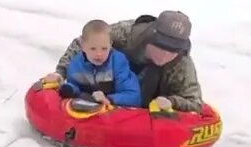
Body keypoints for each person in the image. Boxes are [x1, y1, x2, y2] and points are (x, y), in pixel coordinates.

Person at [44, 10, 203, 113]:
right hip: (109, 80)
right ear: (151, 37)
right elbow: (84, 42)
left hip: (147, 99)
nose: (164, 56)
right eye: (160, 47)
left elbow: (195, 102)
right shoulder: (126, 32)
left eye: (172, 51)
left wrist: (171, 101)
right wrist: (60, 73)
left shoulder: (183, 63)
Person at [59, 19, 142, 107]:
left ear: (110, 45)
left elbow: (134, 97)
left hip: (114, 110)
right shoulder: (75, 65)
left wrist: (108, 98)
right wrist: (70, 89)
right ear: (83, 46)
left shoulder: (118, 63)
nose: (99, 54)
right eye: (93, 49)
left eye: (104, 48)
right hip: (88, 109)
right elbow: (74, 85)